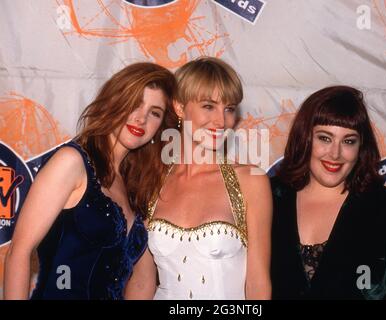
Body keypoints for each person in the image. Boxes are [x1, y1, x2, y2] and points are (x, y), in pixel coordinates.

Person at [3, 62, 177, 299]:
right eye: (134, 104)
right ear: (114, 102)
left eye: (154, 112)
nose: (141, 118)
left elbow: (142, 280)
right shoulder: (72, 162)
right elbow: (19, 252)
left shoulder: (138, 187)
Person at [125, 57, 272, 300]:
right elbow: (142, 281)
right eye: (208, 106)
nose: (221, 121)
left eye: (229, 109)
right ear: (180, 108)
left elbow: (258, 284)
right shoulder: (152, 180)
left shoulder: (250, 181)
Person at [271, 85, 386, 300]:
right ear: (305, 138)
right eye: (325, 138)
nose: (335, 153)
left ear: (361, 147)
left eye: (348, 141)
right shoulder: (267, 199)